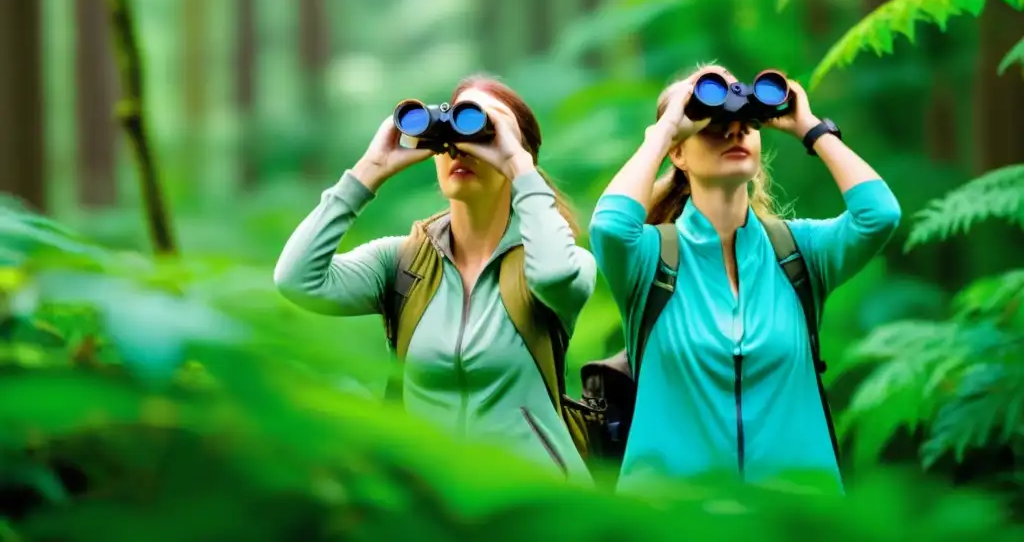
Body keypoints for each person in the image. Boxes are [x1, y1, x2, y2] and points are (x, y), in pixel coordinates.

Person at [588, 64, 901, 493]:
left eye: (747, 125)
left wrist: (808, 127)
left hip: (794, 522)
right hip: (672, 521)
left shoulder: (798, 253)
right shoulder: (650, 259)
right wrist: (662, 132)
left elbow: (879, 215)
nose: (735, 132)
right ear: (678, 153)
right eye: (713, 126)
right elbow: (608, 227)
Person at [273, 75, 596, 484]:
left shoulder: (560, 260)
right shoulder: (403, 262)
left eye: (485, 132)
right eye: (452, 134)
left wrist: (519, 166)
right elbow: (297, 279)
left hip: (534, 506)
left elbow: (554, 275)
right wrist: (369, 170)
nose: (461, 147)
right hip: (433, 508)